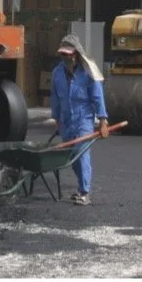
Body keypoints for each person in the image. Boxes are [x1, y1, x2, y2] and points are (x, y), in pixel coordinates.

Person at [50, 34, 109, 206]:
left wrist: (103, 120)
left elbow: (97, 97)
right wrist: (56, 118)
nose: (65, 57)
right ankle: (81, 188)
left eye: (68, 54)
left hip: (84, 118)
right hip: (66, 120)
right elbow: (55, 96)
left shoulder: (89, 71)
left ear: (75, 54)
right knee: (71, 156)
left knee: (81, 153)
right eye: (63, 54)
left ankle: (84, 192)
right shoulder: (57, 72)